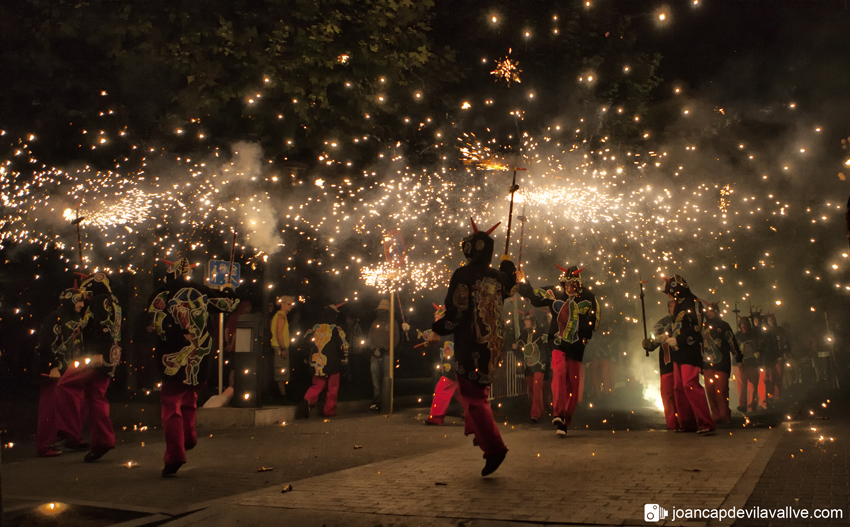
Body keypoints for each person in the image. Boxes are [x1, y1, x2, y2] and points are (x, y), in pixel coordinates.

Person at [428, 218, 517, 476]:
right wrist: (508, 264)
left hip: (471, 342)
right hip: (493, 342)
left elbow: (456, 310)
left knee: (474, 396)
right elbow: (511, 285)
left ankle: (494, 448)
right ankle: (476, 429)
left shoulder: (463, 274)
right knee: (473, 388)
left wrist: (438, 329)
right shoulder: (497, 276)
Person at [148, 257, 239, 476]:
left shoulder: (161, 292)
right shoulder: (199, 289)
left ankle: (175, 454)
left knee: (171, 405)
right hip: (201, 357)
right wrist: (229, 290)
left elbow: (153, 322)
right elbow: (229, 304)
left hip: (171, 357)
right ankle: (188, 437)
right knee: (190, 399)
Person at [517, 264, 599, 437]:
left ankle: (565, 420)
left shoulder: (589, 297)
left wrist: (586, 333)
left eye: (572, 285)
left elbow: (595, 318)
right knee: (559, 372)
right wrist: (522, 282)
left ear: (578, 284)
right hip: (557, 342)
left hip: (576, 346)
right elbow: (535, 296)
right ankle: (558, 413)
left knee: (573, 385)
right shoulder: (555, 292)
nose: (568, 288)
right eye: (566, 284)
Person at [54, 272, 122, 462]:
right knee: (95, 397)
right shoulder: (114, 301)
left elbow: (102, 328)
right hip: (111, 355)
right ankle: (102, 441)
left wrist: (98, 353)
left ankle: (68, 431)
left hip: (95, 356)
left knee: (65, 384)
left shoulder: (100, 301)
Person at [34, 286, 90, 457]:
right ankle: (45, 445)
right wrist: (51, 365)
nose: (81, 304)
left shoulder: (78, 319)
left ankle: (73, 438)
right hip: (56, 370)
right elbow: (45, 343)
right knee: (50, 408)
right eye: (78, 300)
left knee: (78, 403)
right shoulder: (54, 318)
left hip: (72, 369)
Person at [662, 275, 714, 434]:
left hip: (691, 350)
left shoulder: (694, 303)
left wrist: (679, 340)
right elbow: (677, 325)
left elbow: (697, 329)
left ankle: (706, 423)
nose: (669, 296)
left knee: (689, 384)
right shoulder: (678, 304)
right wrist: (668, 337)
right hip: (678, 351)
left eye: (670, 292)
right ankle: (687, 423)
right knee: (678, 388)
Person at [299, 304, 349, 418]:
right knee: (333, 387)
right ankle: (329, 411)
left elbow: (304, 343)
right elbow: (343, 346)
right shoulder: (336, 329)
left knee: (317, 384)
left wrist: (306, 358)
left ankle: (308, 400)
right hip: (334, 362)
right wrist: (344, 359)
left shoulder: (314, 328)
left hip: (317, 361)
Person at [421, 304, 463, 425]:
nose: (435, 319)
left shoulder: (451, 330)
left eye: (438, 317)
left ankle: (436, 416)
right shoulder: (442, 331)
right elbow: (425, 335)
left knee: (442, 388)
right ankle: (475, 414)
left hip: (454, 365)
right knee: (461, 392)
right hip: (453, 365)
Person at [701, 302, 742, 426]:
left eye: (712, 311)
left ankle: (725, 415)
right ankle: (716, 415)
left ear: (717, 312)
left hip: (722, 363)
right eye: (708, 312)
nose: (709, 313)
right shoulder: (702, 326)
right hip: (707, 364)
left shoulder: (724, 326)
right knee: (709, 389)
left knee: (721, 389)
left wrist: (738, 357)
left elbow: (732, 342)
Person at [642, 300, 678, 430]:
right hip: (667, 365)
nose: (673, 308)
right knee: (667, 396)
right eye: (672, 306)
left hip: (682, 364)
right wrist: (648, 344)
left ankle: (685, 422)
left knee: (681, 395)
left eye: (675, 305)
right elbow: (653, 343)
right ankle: (672, 424)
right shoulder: (661, 324)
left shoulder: (686, 322)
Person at [367, 299, 408, 412]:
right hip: (375, 356)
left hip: (387, 355)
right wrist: (373, 348)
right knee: (375, 380)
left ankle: (387, 401)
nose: (382, 312)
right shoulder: (375, 323)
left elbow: (396, 338)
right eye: (380, 310)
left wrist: (386, 349)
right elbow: (369, 338)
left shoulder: (393, 322)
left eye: (384, 310)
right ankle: (377, 401)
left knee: (387, 378)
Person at [512, 313, 549, 422]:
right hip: (528, 366)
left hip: (539, 365)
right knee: (531, 389)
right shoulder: (523, 335)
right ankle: (540, 411)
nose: (525, 322)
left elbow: (546, 348)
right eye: (524, 320)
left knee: (537, 387)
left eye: (527, 320)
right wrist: (515, 349)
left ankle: (535, 414)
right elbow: (520, 353)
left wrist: (544, 362)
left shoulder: (541, 333)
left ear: (532, 321)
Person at [270, 296, 296, 399]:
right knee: (281, 370)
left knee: (282, 370)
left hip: (280, 346)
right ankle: (283, 394)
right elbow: (279, 333)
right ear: (283, 304)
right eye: (288, 304)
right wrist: (283, 349)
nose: (291, 306)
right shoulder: (281, 316)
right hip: (280, 346)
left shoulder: (279, 316)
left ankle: (283, 393)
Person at [735, 318, 761, 412]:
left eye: (745, 324)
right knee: (742, 385)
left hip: (753, 363)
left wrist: (758, 353)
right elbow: (735, 348)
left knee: (754, 385)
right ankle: (742, 405)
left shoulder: (754, 334)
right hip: (743, 363)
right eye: (741, 324)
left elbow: (760, 345)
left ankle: (752, 405)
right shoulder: (737, 336)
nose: (743, 326)